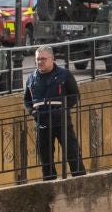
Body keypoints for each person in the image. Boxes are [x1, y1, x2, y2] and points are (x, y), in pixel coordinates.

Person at [23, 45, 86, 178]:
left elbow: (75, 95)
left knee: (72, 152)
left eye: (43, 59)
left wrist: (62, 109)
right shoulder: (31, 78)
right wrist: (33, 113)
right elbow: (27, 100)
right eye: (37, 59)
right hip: (42, 124)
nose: (40, 62)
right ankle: (49, 184)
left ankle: (80, 179)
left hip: (61, 122)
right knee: (45, 158)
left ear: (52, 59)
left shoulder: (65, 75)